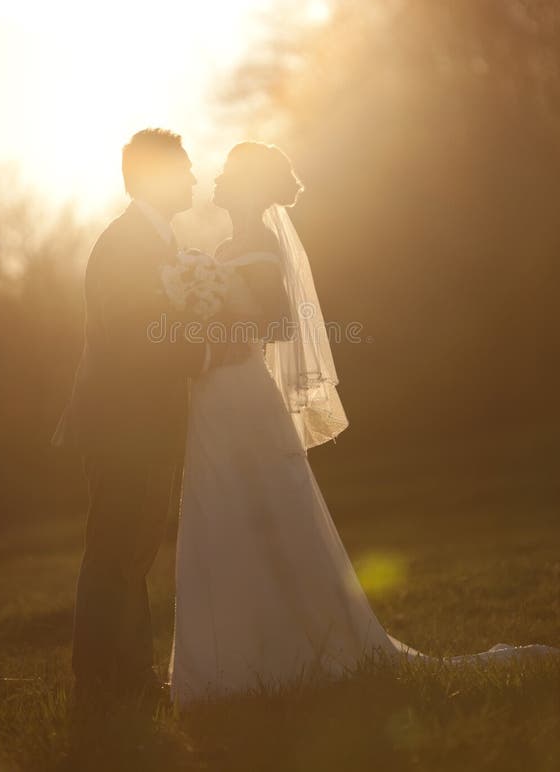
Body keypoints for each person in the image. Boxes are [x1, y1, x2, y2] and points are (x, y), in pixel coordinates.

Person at [168, 140, 559, 707]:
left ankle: (289, 656)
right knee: (223, 518)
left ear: (251, 187)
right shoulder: (228, 246)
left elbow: (277, 321)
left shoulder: (257, 245)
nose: (218, 181)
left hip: (244, 397)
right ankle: (236, 661)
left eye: (229, 173)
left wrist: (221, 321)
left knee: (271, 519)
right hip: (215, 400)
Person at [51, 128, 245, 709]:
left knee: (133, 550)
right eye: (182, 168)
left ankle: (129, 674)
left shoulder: (155, 243)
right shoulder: (127, 245)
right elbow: (139, 338)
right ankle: (100, 681)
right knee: (114, 548)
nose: (191, 178)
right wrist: (209, 352)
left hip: (143, 424)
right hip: (121, 425)